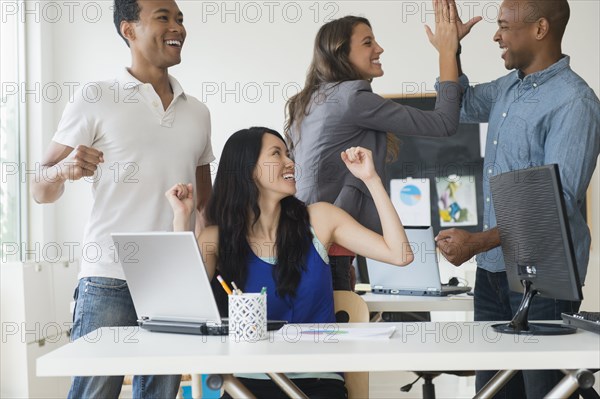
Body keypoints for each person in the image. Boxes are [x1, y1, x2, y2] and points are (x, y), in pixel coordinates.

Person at [31, 0, 214, 397]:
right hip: (108, 275)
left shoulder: (198, 112)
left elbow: (205, 206)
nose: (177, 27)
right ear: (128, 29)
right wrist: (64, 169)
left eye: (180, 19)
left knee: (161, 394)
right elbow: (39, 188)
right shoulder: (96, 96)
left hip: (172, 279)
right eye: (163, 17)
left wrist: (205, 273)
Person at [166, 127, 414, 399]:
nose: (290, 162)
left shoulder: (320, 220)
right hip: (247, 383)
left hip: (317, 382)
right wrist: (182, 219)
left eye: (288, 154)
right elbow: (183, 309)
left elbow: (399, 254)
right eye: (277, 154)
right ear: (248, 171)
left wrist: (371, 179)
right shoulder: (217, 238)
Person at [434, 0, 600, 397]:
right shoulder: (510, 87)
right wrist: (449, 51)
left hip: (544, 282)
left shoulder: (575, 102)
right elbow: (461, 102)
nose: (496, 35)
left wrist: (475, 242)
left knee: (543, 391)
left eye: (505, 26)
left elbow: (554, 204)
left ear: (540, 29)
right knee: (491, 390)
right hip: (493, 274)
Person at [285, 0, 463, 291]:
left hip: (311, 244)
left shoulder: (309, 101)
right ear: (341, 53)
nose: (379, 49)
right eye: (368, 42)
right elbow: (444, 123)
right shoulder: (353, 98)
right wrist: (447, 51)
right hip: (331, 250)